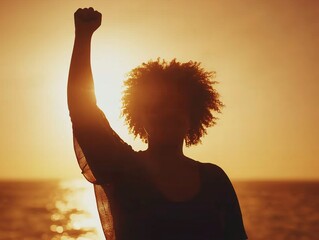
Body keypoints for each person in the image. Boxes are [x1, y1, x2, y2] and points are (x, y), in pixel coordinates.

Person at [68, 7, 248, 240]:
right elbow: (83, 112)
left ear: (192, 116)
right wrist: (83, 37)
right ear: (139, 117)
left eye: (176, 106)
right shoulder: (122, 168)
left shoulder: (214, 179)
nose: (167, 114)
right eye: (156, 107)